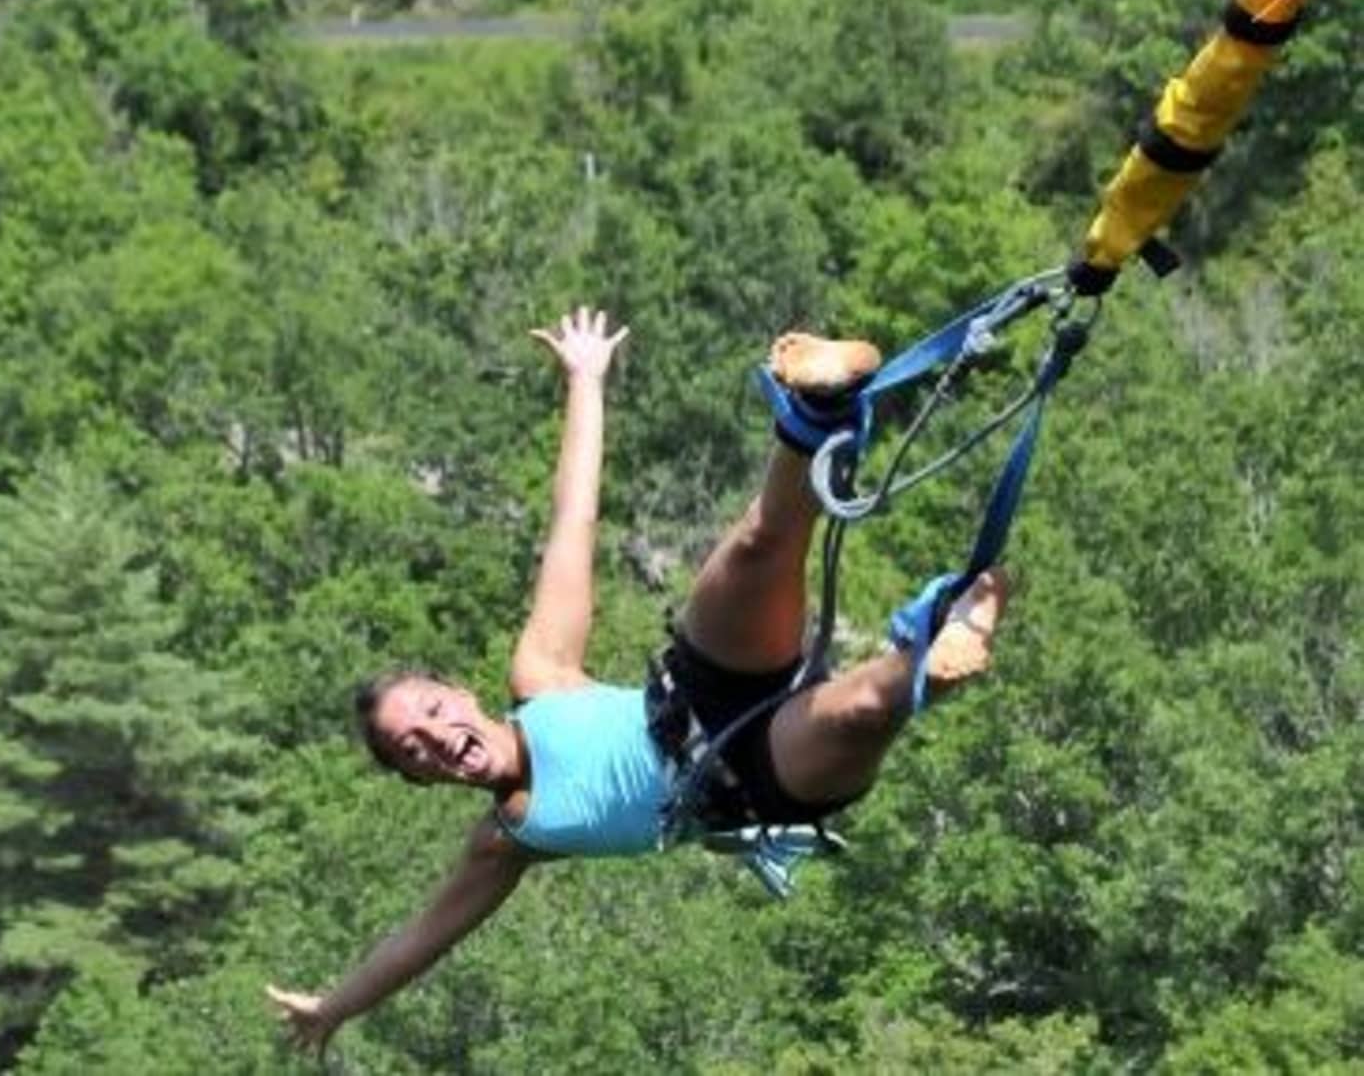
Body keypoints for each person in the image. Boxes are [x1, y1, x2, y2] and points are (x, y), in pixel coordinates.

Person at [267, 306, 1007, 1055]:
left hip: (701, 685)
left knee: (757, 546)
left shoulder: (542, 673)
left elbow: (573, 520)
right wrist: (336, 1005)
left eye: (429, 713)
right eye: (412, 750)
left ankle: (819, 409)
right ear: (419, 778)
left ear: (458, 693)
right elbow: (421, 937)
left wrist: (585, 380)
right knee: (864, 710)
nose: (434, 739)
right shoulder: (506, 840)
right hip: (748, 781)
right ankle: (939, 646)